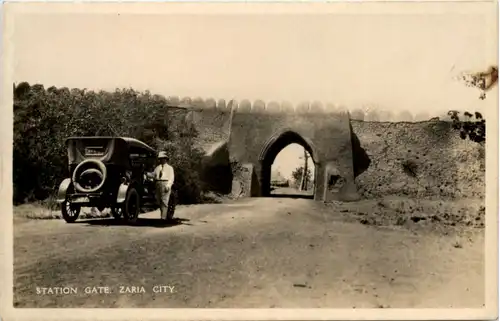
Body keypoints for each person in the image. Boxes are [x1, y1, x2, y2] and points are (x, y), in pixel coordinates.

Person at [154, 151, 175, 220]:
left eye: (163, 158)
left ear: (166, 159)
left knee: (164, 201)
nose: (161, 160)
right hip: (158, 184)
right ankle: (163, 215)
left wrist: (168, 186)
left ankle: (163, 218)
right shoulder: (157, 168)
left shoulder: (170, 168)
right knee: (159, 201)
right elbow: (154, 175)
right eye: (160, 158)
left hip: (165, 183)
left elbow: (171, 178)